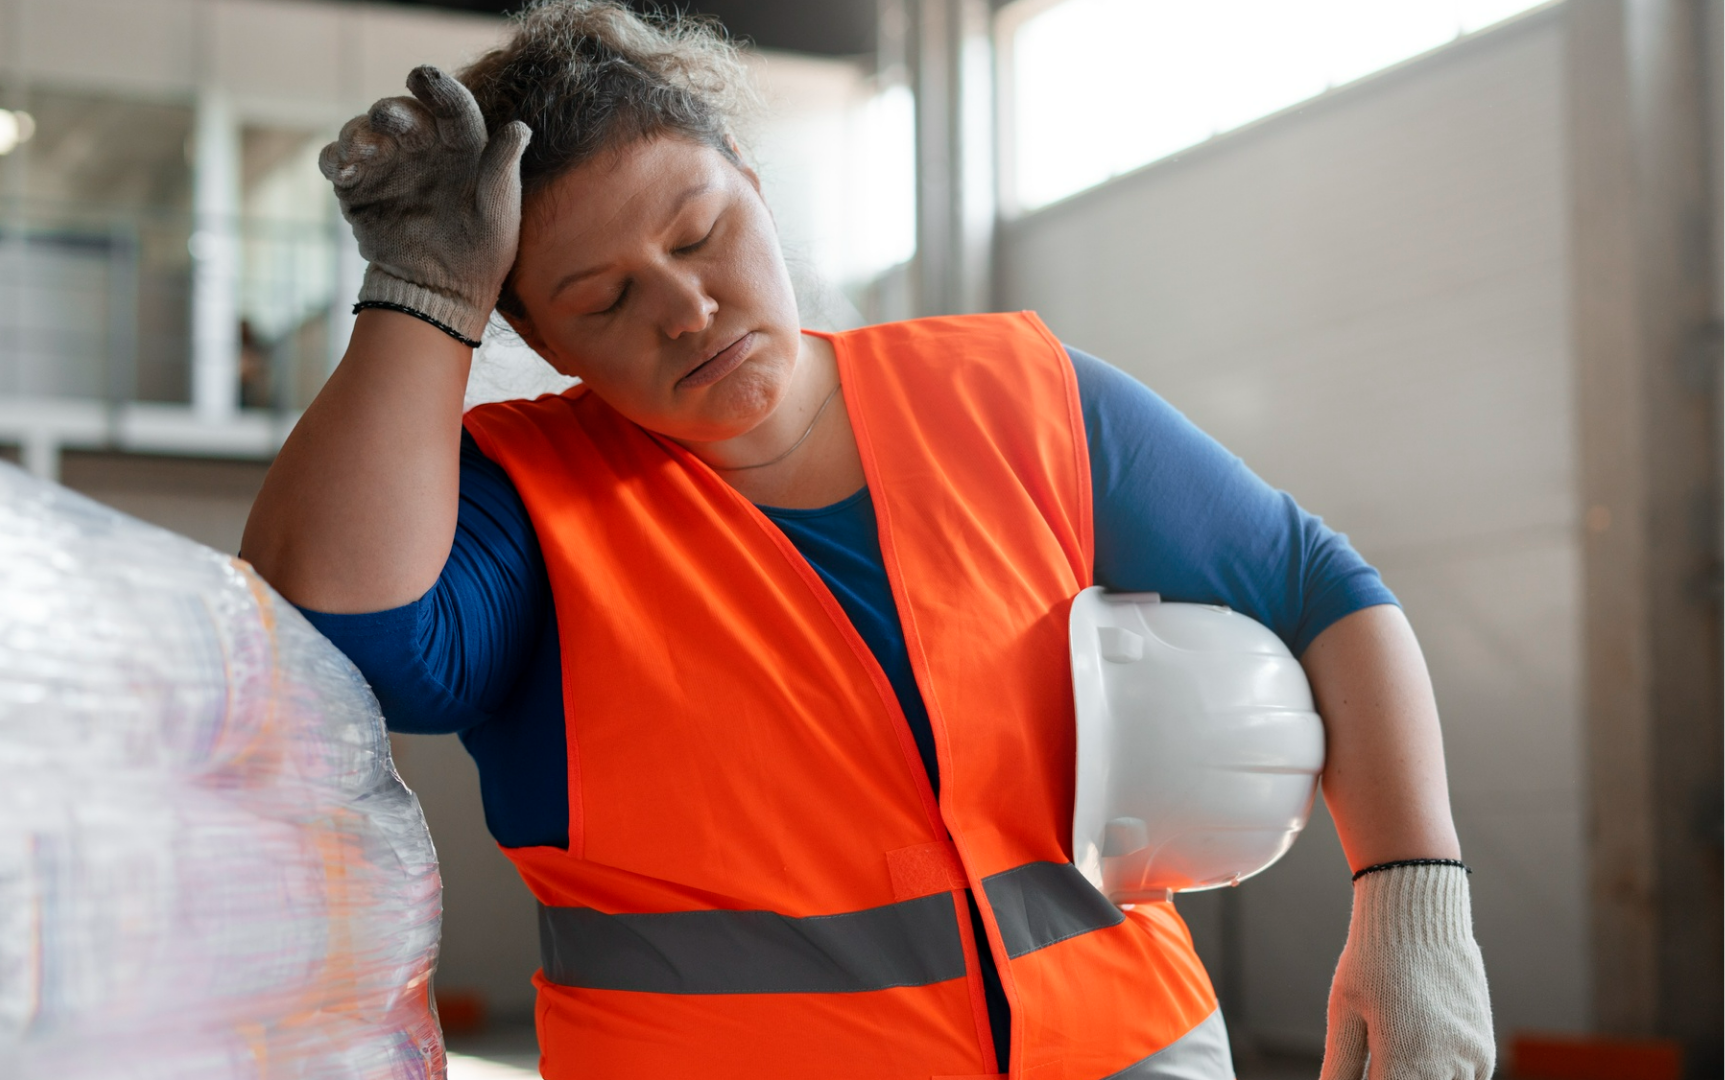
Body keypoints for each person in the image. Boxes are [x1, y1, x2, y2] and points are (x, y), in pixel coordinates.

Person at [241, 3, 1493, 1077]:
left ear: (756, 184)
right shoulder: (524, 499)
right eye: (604, 298)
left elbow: (1319, 587)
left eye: (699, 233)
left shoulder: (1021, 395)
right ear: (546, 342)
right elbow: (348, 635)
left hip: (1128, 1050)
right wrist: (423, 295)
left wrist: (1412, 904)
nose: (685, 306)